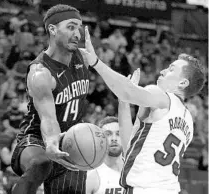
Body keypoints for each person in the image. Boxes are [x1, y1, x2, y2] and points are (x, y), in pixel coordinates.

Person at [80, 26, 206, 194]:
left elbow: (126, 90)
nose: (162, 70)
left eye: (171, 69)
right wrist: (124, 102)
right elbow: (129, 145)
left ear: (182, 83)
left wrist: (95, 62)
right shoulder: (188, 120)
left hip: (144, 189)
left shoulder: (161, 96)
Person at [11, 4, 90, 194]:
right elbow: (48, 119)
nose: (77, 34)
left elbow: (112, 79)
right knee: (42, 163)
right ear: (52, 29)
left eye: (79, 27)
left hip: (72, 141)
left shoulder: (85, 58)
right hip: (36, 139)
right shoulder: (40, 73)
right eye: (71, 27)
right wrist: (52, 143)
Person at [86, 117, 124, 194]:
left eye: (118, 134)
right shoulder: (92, 175)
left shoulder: (134, 170)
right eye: (108, 134)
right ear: (99, 139)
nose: (114, 138)